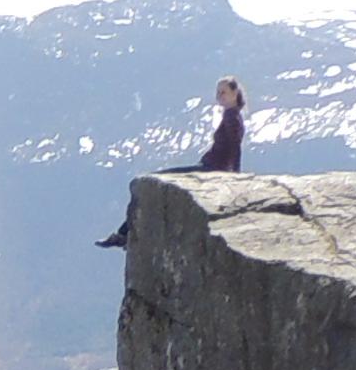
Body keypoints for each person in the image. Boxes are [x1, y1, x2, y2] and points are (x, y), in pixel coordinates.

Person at [100, 79, 251, 246]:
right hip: (211, 167)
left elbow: (235, 146)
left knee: (152, 182)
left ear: (235, 93)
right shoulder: (232, 116)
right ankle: (124, 234)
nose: (219, 96)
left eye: (223, 92)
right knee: (154, 183)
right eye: (218, 93)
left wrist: (235, 175)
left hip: (211, 169)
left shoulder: (232, 116)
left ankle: (123, 235)